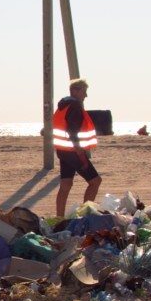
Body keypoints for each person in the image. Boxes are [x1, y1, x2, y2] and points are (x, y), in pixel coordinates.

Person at [52, 78, 102, 217]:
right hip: (73, 152)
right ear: (75, 91)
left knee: (66, 184)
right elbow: (72, 131)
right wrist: (80, 152)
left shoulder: (63, 106)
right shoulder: (74, 106)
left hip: (63, 151)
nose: (85, 95)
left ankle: (59, 217)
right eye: (84, 92)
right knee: (95, 181)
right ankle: (86, 215)